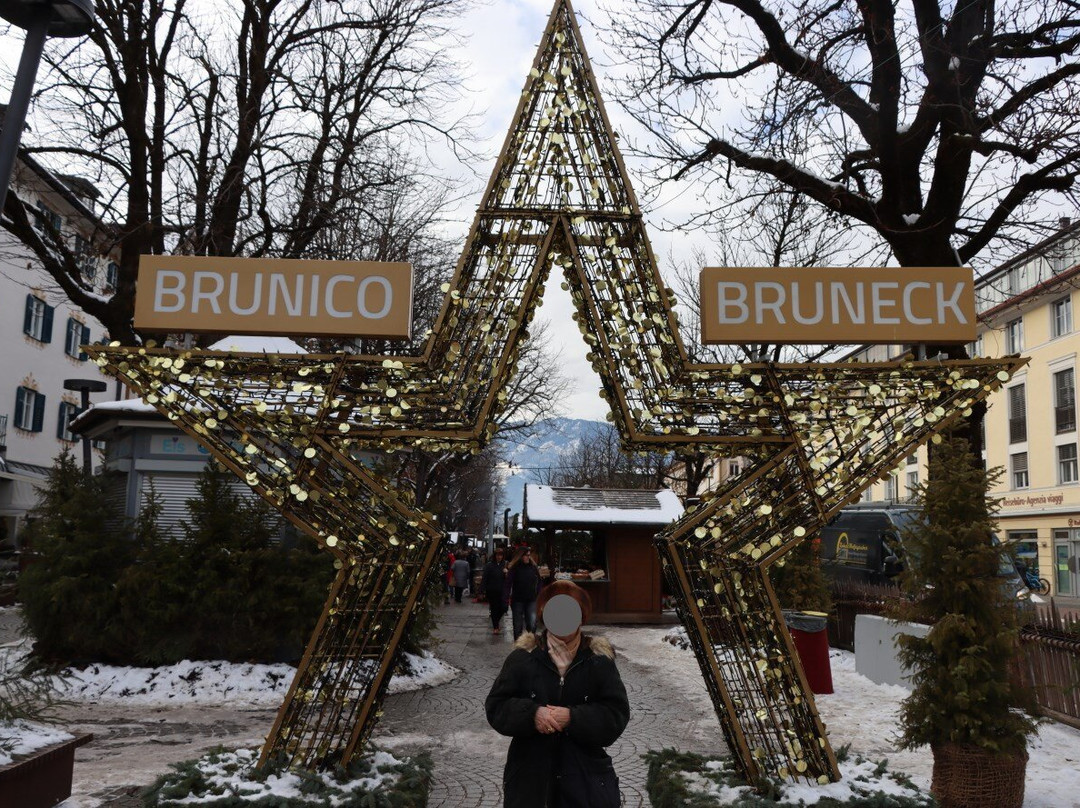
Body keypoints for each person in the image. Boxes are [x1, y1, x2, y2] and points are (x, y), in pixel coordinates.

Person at [485, 581, 629, 807]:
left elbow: (616, 714)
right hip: (530, 783)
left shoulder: (599, 661)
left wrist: (573, 718)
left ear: (581, 617)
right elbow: (496, 706)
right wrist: (532, 714)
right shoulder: (523, 658)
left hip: (586, 783)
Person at [507, 546, 541, 639]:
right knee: (518, 626)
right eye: (526, 555)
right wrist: (505, 599)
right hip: (517, 600)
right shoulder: (514, 568)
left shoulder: (533, 568)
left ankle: (530, 643)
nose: (528, 557)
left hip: (531, 599)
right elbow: (508, 584)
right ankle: (518, 645)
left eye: (529, 555)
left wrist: (538, 594)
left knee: (532, 624)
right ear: (520, 556)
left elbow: (539, 581)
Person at [481, 546, 509, 633]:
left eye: (501, 555)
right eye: (497, 555)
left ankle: (496, 621)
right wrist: (482, 590)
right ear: (495, 556)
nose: (499, 557)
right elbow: (485, 578)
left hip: (502, 591)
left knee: (504, 608)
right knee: (494, 608)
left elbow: (510, 578)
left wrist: (507, 573)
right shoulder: (489, 565)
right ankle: (495, 627)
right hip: (492, 590)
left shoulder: (506, 565)